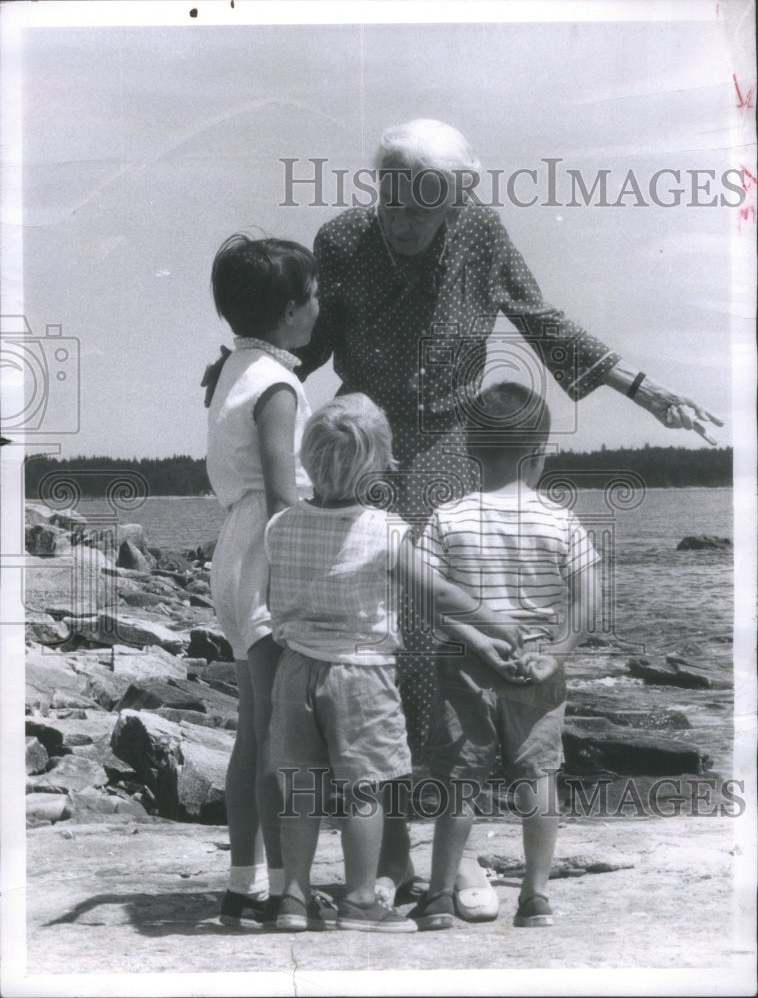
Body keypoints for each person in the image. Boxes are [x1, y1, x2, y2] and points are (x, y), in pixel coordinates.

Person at [292, 118, 722, 917]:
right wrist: (256, 372)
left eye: (422, 209)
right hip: (370, 442)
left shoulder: (483, 234)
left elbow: (539, 316)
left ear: (456, 204)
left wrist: (641, 387)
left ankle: (456, 856)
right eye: (391, 203)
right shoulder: (341, 240)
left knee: (449, 646)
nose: (402, 222)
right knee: (379, 637)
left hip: (455, 443)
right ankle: (391, 854)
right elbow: (311, 343)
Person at [264, 394, 520, 933]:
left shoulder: (281, 524)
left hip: (294, 671)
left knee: (303, 789)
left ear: (308, 460)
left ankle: (291, 896)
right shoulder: (386, 530)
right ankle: (360, 901)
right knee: (366, 790)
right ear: (378, 466)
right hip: (360, 675)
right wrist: (493, 623)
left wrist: (470, 637)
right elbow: (436, 593)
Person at [410, 380, 601, 930]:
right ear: (539, 456)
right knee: (538, 778)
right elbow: (589, 597)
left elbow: (425, 597)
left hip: (466, 666)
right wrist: (557, 654)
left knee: (459, 783)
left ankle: (441, 896)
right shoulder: (559, 518)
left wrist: (473, 638)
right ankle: (535, 897)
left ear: (470, 451)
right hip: (536, 665)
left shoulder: (448, 516)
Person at [204, 233, 319, 928]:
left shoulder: (231, 370)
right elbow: (283, 494)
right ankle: (284, 892)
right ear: (288, 312)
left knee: (253, 728)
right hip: (268, 551)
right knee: (280, 735)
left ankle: (241, 884)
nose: (319, 307)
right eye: (312, 297)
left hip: (232, 550)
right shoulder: (279, 383)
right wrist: (304, 579)